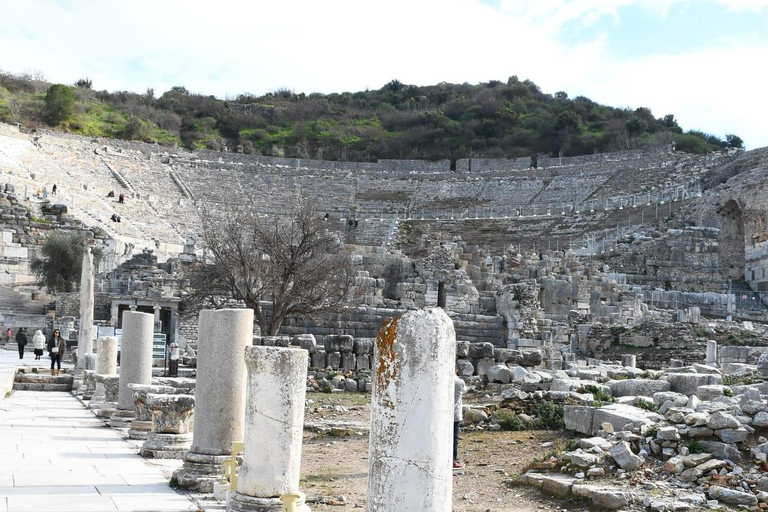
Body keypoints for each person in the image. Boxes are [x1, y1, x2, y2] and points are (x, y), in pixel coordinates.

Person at [454, 368, 466, 469]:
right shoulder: (459, 381)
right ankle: (453, 460)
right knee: (454, 439)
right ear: (456, 370)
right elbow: (464, 390)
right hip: (455, 414)